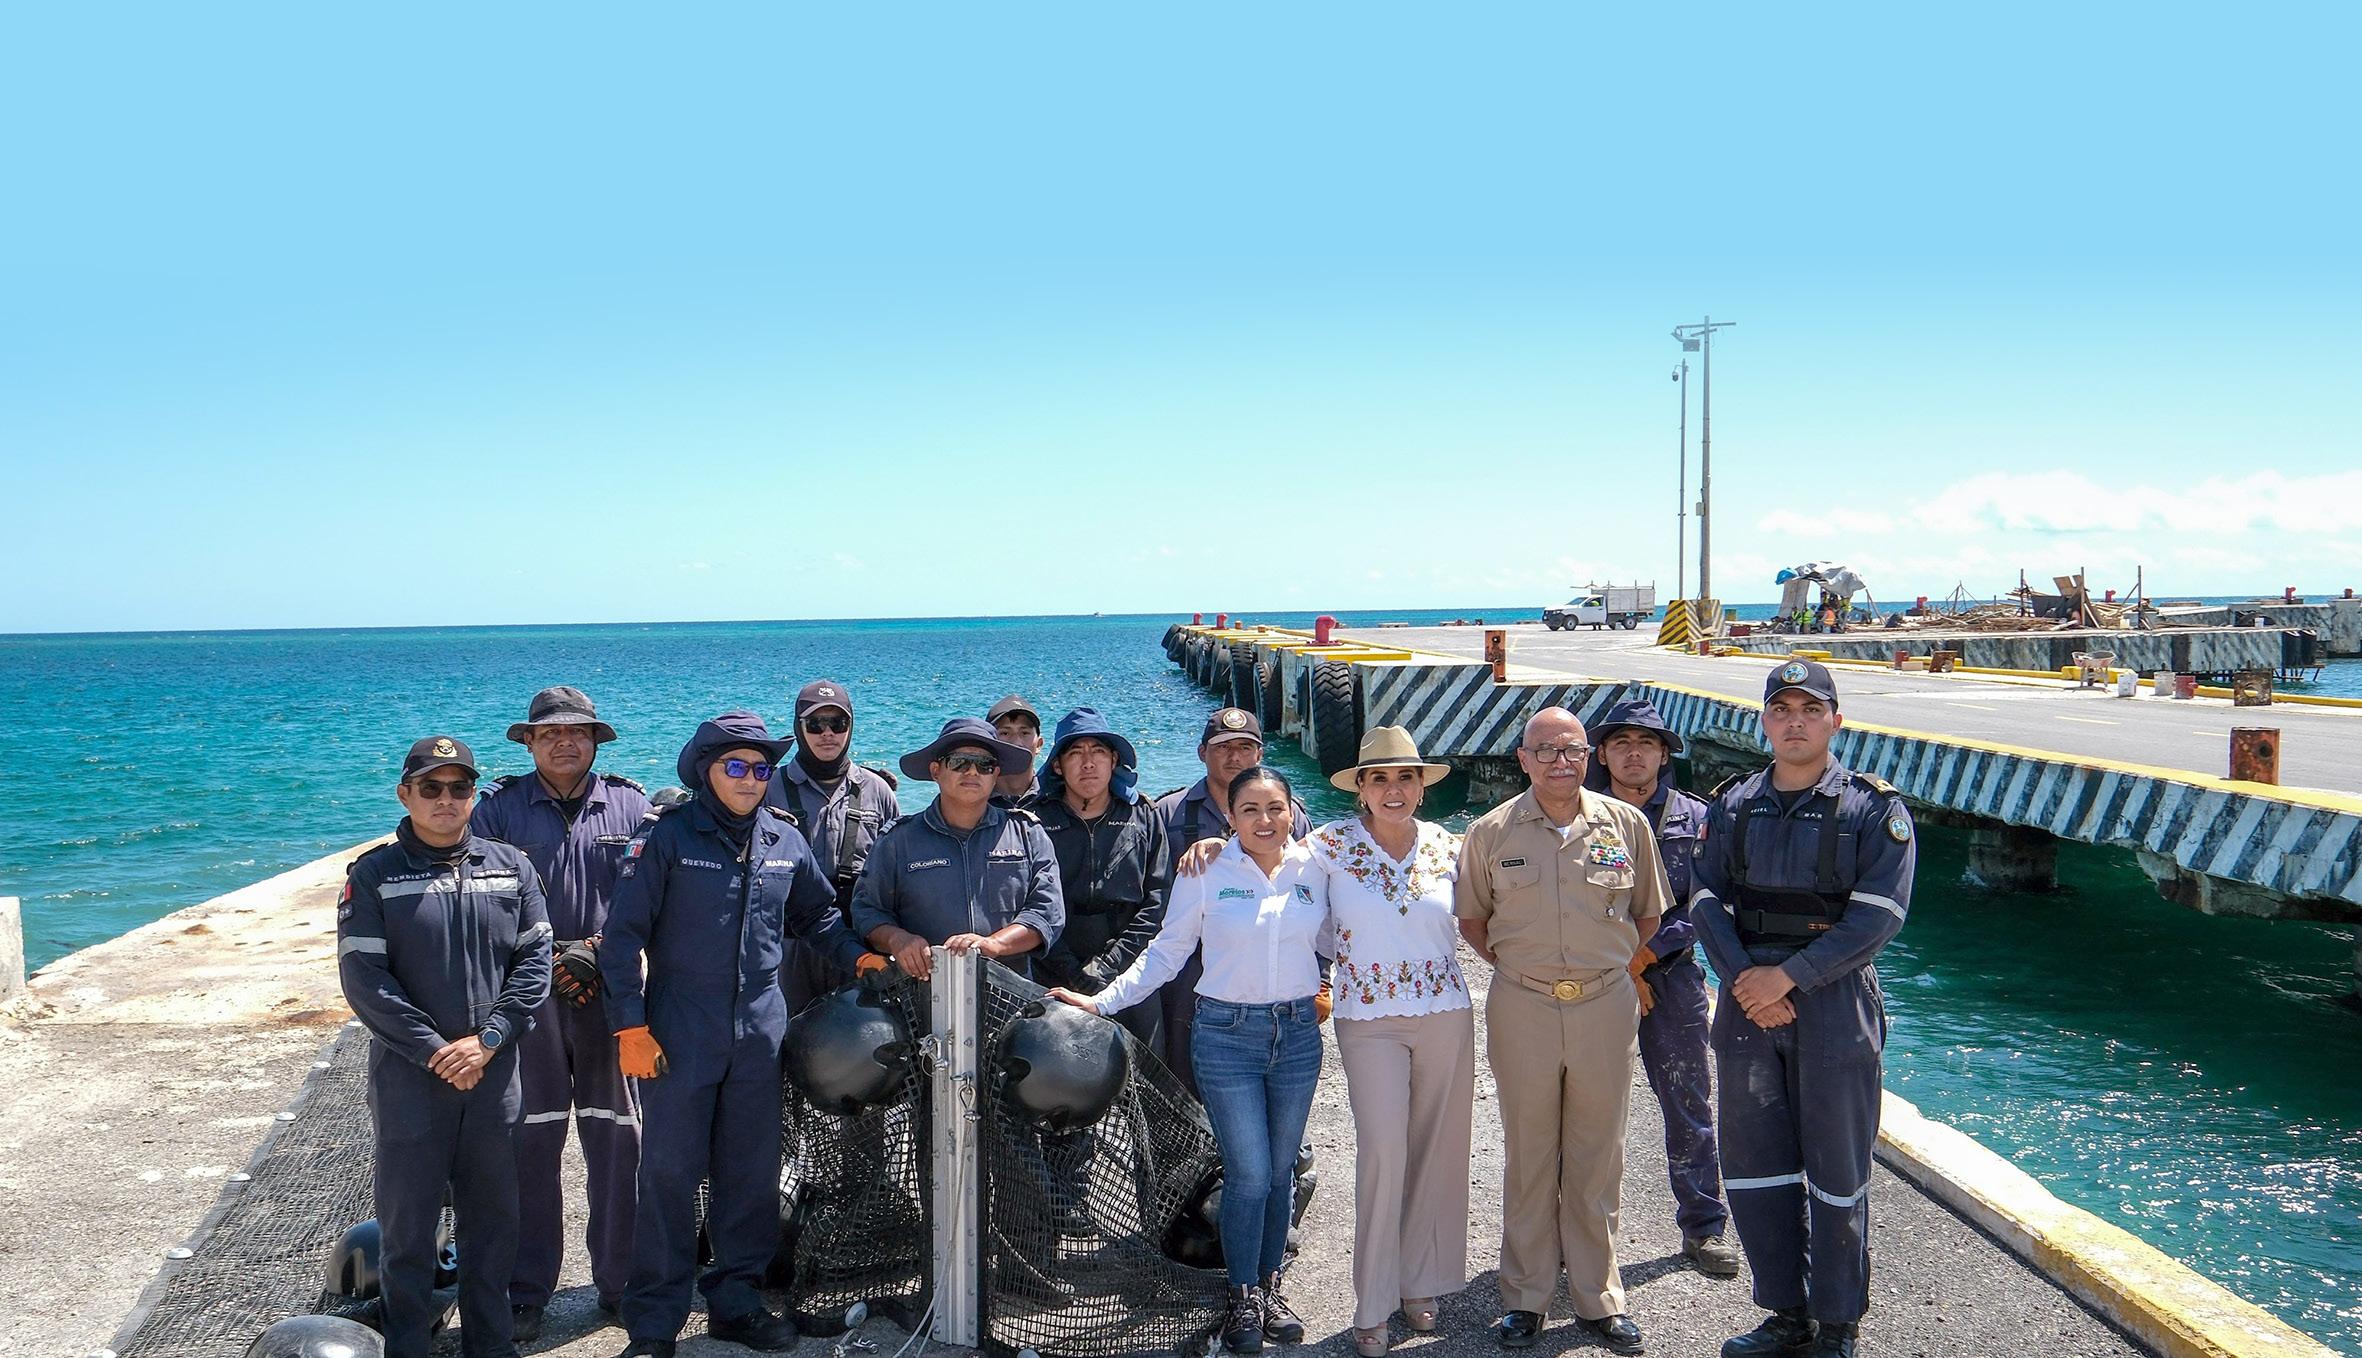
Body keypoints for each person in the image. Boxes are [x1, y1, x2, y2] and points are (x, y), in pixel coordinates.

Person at [597, 713, 876, 1358]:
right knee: (670, 1175)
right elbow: (622, 939)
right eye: (735, 766)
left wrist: (857, 955)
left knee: (750, 1172)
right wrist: (629, 1025)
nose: (751, 779)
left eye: (761, 768)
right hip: (679, 1028)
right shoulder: (666, 838)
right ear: (705, 771)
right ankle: (654, 1322)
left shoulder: (784, 838)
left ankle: (736, 1301)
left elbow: (817, 915)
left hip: (760, 1029)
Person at [1050, 765, 1329, 1357]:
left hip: (1298, 1036)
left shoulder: (1318, 866)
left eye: (1274, 808)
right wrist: (1102, 1002)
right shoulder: (1205, 871)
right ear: (1229, 816)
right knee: (1249, 1172)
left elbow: (1348, 932)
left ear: (1292, 813)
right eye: (1249, 809)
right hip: (1226, 1036)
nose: (1263, 820)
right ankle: (1242, 1294)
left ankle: (1269, 1287)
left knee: (1281, 1173)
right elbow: (1168, 951)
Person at [1690, 660, 1916, 1358]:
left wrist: (1785, 978)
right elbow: (1705, 899)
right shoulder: (1732, 805)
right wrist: (1746, 981)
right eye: (1782, 709)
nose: (1796, 722)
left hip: (1833, 1000)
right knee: (1756, 1166)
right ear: (1764, 721)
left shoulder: (1873, 810)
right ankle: (1786, 1314)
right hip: (1748, 1002)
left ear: (1835, 721)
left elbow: (1879, 916)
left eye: (1810, 710)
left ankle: (1838, 1324)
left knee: (1838, 1172)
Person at [1454, 708, 1665, 1356]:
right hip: (1524, 1006)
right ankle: (1525, 1297)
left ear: (1588, 756)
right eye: (1544, 750)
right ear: (1522, 759)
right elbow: (1474, 923)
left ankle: (1598, 1296)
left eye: (1571, 749)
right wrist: (1533, 972)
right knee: (1530, 1154)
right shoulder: (1490, 832)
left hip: (1604, 1005)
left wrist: (1598, 967)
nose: (1559, 761)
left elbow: (1647, 916)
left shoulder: (1626, 825)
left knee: (1599, 1155)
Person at [338, 737, 552, 1358]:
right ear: (405, 795)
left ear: (473, 796)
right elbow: (365, 981)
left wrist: (488, 1041)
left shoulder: (512, 867)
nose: (445, 799)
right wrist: (436, 1050)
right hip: (412, 1082)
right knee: (407, 1232)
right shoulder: (373, 875)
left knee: (494, 1227)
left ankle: (491, 1346)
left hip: (493, 1078)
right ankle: (408, 1346)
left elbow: (535, 964)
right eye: (430, 788)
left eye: (459, 788)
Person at [468, 687, 652, 1337]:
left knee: (620, 1137)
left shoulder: (632, 806)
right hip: (527, 997)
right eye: (550, 734)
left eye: (578, 732)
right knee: (528, 1137)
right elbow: (479, 899)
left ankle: (623, 1282)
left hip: (613, 994)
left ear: (597, 740)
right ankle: (524, 1288)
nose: (564, 742)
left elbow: (650, 893)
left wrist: (599, 951)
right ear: (529, 743)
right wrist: (547, 958)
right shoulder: (496, 811)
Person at [1310, 728, 1475, 1356]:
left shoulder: (1451, 846)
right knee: (1383, 1151)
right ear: (1361, 788)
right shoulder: (1327, 846)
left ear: (1422, 786)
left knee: (1436, 1150)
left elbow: (1496, 910)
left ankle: (1418, 1281)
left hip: (1445, 1011)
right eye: (1379, 778)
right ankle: (1372, 1302)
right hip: (1368, 1018)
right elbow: (1264, 862)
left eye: (1405, 777)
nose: (1394, 789)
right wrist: (1215, 844)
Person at [1582, 699, 1738, 1279]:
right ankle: (1577, 1232)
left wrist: (1644, 958)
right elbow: (1569, 900)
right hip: (1594, 979)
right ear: (1602, 754)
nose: (1634, 753)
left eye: (1646, 743)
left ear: (1665, 754)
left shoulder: (1697, 819)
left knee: (1689, 1101)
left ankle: (1704, 1225)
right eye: (1621, 743)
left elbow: (1710, 901)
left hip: (1672, 978)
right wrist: (1621, 966)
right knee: (1585, 1108)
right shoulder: (1579, 816)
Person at [1150, 707, 1310, 1094]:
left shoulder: (1291, 815)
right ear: (1202, 753)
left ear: (1260, 755)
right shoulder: (1168, 812)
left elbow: (1312, 890)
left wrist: (1320, 980)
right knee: (1179, 1069)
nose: (1234, 757)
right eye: (1223, 747)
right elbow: (1151, 891)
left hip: (1260, 966)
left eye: (1245, 747)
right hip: (1186, 966)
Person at [852, 716, 1064, 981]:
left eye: (984, 764)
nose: (972, 771)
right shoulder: (897, 840)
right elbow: (867, 910)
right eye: (959, 762)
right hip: (921, 988)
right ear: (936, 771)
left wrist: (995, 944)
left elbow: (1047, 912)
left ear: (995, 774)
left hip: (1008, 989)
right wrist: (898, 939)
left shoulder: (1027, 833)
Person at [1033, 707, 1170, 1053]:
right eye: (1075, 753)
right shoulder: (1034, 819)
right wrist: (1072, 973)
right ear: (1057, 765)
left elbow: (1158, 900)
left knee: (1146, 1072)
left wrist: (1107, 967)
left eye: (1098, 752)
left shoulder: (1144, 815)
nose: (1088, 763)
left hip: (1130, 969)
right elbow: (1028, 902)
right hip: (1054, 967)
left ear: (1114, 761)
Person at [765, 678, 902, 1013]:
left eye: (837, 723)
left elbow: (898, 875)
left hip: (860, 946)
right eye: (815, 724)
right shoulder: (769, 789)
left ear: (850, 726)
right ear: (798, 727)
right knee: (786, 1034)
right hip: (789, 947)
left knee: (866, 1036)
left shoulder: (878, 790)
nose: (827, 733)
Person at [987, 693, 1045, 810]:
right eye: (1005, 733)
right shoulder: (973, 800)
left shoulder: (1056, 799)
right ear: (988, 743)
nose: (1016, 742)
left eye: (1025, 733)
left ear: (1039, 745)